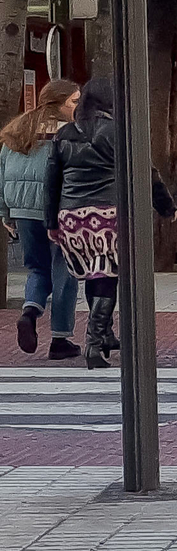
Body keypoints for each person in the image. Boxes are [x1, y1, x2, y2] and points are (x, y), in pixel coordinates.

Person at [45, 78, 143, 368]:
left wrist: (52, 221)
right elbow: (142, 170)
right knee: (108, 275)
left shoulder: (65, 133)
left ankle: (106, 334)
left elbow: (52, 182)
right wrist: (164, 203)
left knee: (94, 273)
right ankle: (94, 342)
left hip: (72, 217)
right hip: (106, 215)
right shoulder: (116, 131)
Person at [2, 78, 81, 359]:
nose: (77, 107)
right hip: (58, 210)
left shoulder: (17, 129)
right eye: (73, 102)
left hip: (22, 210)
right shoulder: (70, 133)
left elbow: (2, 170)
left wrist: (6, 212)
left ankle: (30, 310)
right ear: (59, 103)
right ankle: (60, 340)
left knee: (36, 268)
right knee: (65, 273)